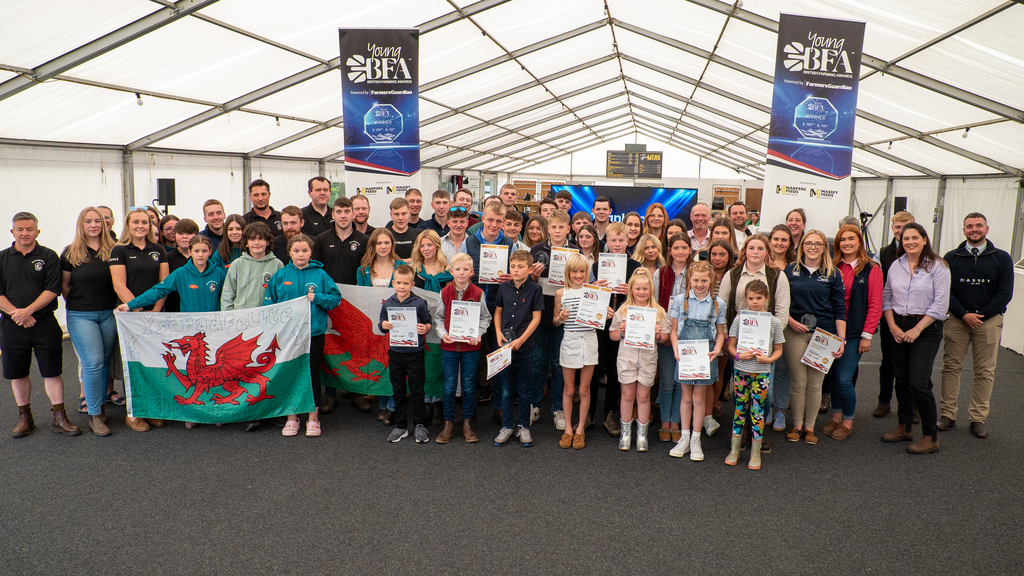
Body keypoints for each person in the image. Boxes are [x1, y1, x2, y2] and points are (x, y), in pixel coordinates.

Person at [118, 234, 225, 429]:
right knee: (193, 373)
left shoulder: (218, 273)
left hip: (213, 332)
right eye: (196, 251)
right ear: (189, 252)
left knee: (211, 373)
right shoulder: (181, 274)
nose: (200, 255)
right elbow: (158, 291)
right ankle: (194, 413)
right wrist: (131, 304)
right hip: (191, 334)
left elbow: (227, 297)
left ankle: (214, 410)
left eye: (204, 251)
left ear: (210, 252)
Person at [2, 212, 80, 437]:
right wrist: (18, 315)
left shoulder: (49, 256)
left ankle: (59, 417)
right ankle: (25, 418)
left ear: (37, 231)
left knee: (52, 371)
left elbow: (53, 289)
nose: (25, 233)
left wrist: (28, 312)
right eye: (20, 229)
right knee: (17, 374)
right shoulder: (2, 258)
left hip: (44, 323)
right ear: (12, 232)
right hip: (12, 326)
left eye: (29, 229)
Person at [939, 213, 1012, 439]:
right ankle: (948, 415)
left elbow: (1004, 293)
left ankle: (977, 418)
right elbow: (945, 291)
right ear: (963, 231)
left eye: (978, 225)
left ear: (987, 229)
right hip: (957, 321)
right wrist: (963, 314)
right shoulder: (951, 257)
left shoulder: (1001, 258)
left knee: (985, 372)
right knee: (951, 368)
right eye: (969, 226)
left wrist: (979, 315)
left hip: (988, 322)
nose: (974, 229)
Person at [880, 223, 950, 454]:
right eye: (905, 238)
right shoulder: (895, 266)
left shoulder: (938, 266)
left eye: (914, 237)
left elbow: (940, 304)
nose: (909, 241)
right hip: (898, 325)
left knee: (919, 382)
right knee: (901, 378)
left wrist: (916, 330)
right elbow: (887, 297)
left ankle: (930, 437)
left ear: (924, 239)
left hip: (926, 327)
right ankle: (905, 426)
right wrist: (892, 327)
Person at [264, 234, 341, 437]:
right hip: (287, 335)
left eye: (305, 250)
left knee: (311, 373)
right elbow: (269, 305)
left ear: (311, 252)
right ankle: (292, 417)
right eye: (296, 251)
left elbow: (335, 299)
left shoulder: (320, 275)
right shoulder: (280, 276)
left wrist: (319, 298)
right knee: (290, 373)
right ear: (289, 252)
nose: (300, 254)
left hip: (313, 333)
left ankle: (313, 419)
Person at [783, 229, 846, 445]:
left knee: (815, 384)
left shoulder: (833, 273)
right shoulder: (790, 270)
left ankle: (810, 428)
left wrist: (842, 339)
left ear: (824, 248)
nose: (812, 247)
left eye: (818, 244)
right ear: (801, 246)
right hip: (795, 332)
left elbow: (839, 308)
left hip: (824, 335)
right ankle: (797, 425)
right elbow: (781, 304)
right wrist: (791, 321)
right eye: (808, 243)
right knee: (799, 382)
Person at [110, 207, 169, 432]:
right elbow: (119, 285)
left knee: (154, 361)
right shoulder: (120, 250)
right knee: (133, 362)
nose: (140, 226)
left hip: (155, 316)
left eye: (144, 222)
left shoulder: (158, 250)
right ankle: (133, 413)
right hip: (130, 317)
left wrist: (155, 310)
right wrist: (138, 311)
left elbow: (163, 284)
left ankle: (151, 409)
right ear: (128, 225)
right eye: (136, 222)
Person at [220, 222, 282, 432]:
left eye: (261, 238)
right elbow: (228, 295)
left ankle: (268, 410)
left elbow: (282, 297)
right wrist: (229, 322)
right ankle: (246, 411)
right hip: (242, 327)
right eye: (252, 239)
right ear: (246, 242)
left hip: (267, 326)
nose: (257, 242)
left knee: (266, 368)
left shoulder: (277, 265)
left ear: (267, 242)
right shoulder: (238, 264)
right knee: (243, 369)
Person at [61, 207, 118, 436]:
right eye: (88, 221)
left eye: (98, 221)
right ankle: (94, 415)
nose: (94, 225)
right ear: (81, 225)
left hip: (109, 313)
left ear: (104, 225)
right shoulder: (70, 252)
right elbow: (65, 287)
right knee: (92, 362)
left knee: (104, 361)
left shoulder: (114, 250)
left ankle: (101, 406)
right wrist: (79, 305)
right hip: (81, 315)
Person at [823, 225, 882, 440]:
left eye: (851, 238)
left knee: (843, 378)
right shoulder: (832, 267)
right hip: (831, 332)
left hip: (855, 332)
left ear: (859, 242)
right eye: (842, 239)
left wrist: (867, 335)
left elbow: (875, 304)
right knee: (832, 378)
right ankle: (836, 417)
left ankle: (848, 420)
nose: (846, 243)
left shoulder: (871, 269)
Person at [668, 262, 726, 460]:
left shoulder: (718, 303)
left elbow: (720, 334)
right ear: (689, 280)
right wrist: (676, 348)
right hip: (684, 356)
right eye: (696, 280)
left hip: (705, 356)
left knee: (699, 398)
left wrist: (717, 349)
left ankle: (696, 438)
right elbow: (674, 331)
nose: (699, 284)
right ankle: (684, 437)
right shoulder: (679, 301)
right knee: (685, 397)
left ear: (711, 281)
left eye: (704, 280)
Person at [725, 280, 785, 470]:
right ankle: (734, 450)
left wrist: (769, 360)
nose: (755, 302)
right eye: (751, 298)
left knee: (758, 412)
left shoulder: (773, 322)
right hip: (741, 371)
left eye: (759, 298)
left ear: (767, 298)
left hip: (761, 374)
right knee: (739, 410)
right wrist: (738, 355)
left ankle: (755, 452)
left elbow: (778, 349)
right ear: (746, 298)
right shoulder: (739, 318)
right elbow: (731, 345)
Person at [611, 268, 671, 452]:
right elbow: (612, 335)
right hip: (627, 358)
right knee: (627, 395)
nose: (641, 292)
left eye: (645, 289)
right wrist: (621, 332)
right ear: (631, 290)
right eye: (638, 289)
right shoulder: (623, 310)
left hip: (647, 359)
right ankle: (626, 432)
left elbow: (666, 338)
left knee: (643, 396)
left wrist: (659, 336)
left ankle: (642, 434)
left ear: (651, 290)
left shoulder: (658, 312)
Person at [466, 201, 516, 419]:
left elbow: (516, 274)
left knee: (498, 356)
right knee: (473, 357)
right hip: (473, 305)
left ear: (503, 222)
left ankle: (499, 406)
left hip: (499, 307)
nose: (494, 224)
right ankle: (469, 409)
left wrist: (511, 277)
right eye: (490, 220)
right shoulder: (469, 242)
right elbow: (462, 269)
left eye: (499, 221)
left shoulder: (509, 244)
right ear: (482, 219)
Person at [590, 222, 640, 436]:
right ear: (606, 241)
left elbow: (643, 295)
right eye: (613, 240)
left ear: (627, 241)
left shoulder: (636, 267)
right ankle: (589, 413)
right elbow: (588, 296)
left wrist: (631, 291)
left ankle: (610, 413)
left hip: (623, 325)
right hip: (599, 323)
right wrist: (596, 289)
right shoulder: (595, 265)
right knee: (593, 369)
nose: (617, 244)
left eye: (621, 240)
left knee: (614, 370)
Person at [433, 253, 490, 443]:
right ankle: (448, 422)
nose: (461, 272)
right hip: (449, 347)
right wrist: (443, 334)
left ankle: (467, 421)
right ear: (451, 271)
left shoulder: (478, 293)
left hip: (471, 348)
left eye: (466, 269)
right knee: (449, 386)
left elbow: (485, 318)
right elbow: (438, 318)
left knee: (468, 385)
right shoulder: (444, 293)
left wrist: (478, 334)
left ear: (472, 272)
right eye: (457, 269)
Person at [493, 250, 543, 447]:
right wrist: (497, 332)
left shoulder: (535, 290)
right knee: (506, 389)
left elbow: (537, 318)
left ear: (530, 269)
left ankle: (523, 426)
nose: (516, 270)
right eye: (513, 266)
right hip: (505, 347)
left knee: (523, 389)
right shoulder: (503, 288)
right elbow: (498, 312)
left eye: (521, 267)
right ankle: (506, 426)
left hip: (525, 347)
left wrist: (522, 339)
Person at [378, 264, 433, 443]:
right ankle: (401, 426)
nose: (402, 287)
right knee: (398, 390)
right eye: (398, 283)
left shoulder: (419, 303)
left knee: (417, 391)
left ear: (412, 284)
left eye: (406, 283)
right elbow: (381, 324)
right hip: (395, 353)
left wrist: (425, 328)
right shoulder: (388, 303)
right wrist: (383, 326)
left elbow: (428, 323)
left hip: (415, 354)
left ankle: (419, 425)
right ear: (393, 283)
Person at [553, 254, 599, 449]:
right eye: (574, 271)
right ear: (568, 272)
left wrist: (608, 314)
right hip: (570, 339)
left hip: (589, 340)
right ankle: (568, 431)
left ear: (587, 272)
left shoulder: (594, 291)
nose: (578, 275)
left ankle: (580, 429)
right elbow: (555, 321)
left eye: (582, 271)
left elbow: (600, 318)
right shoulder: (560, 293)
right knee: (570, 390)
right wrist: (561, 317)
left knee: (584, 389)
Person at [653, 233, 693, 441]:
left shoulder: (695, 273)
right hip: (665, 335)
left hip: (688, 335)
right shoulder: (660, 273)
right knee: (667, 381)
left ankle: (676, 421)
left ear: (689, 250)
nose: (680, 252)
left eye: (683, 248)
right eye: (676, 248)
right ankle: (665, 421)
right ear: (669, 251)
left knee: (681, 381)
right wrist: (666, 332)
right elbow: (654, 305)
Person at [874, 211, 914, 417]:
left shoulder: (923, 252)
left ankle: (912, 405)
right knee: (888, 360)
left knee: (913, 362)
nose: (900, 231)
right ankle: (884, 400)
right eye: (897, 227)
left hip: (916, 317)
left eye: (905, 226)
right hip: (890, 315)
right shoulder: (884, 253)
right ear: (892, 228)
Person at [411, 230, 452, 423]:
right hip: (419, 322)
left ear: (437, 245)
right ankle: (425, 401)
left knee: (439, 361)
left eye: (429, 245)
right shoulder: (414, 269)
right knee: (422, 362)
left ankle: (438, 402)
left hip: (442, 323)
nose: (426, 249)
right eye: (422, 245)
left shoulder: (448, 270)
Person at [767, 224, 796, 431]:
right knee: (765, 368)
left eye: (784, 240)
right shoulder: (761, 262)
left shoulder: (796, 267)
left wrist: (790, 320)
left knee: (783, 369)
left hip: (788, 325)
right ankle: (766, 407)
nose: (779, 243)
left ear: (790, 243)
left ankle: (780, 411)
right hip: (763, 328)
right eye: (776, 239)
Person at [312, 197, 369, 287]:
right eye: (339, 212)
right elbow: (316, 270)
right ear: (333, 215)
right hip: (329, 294)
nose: (343, 216)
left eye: (347, 211)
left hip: (355, 295)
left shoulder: (365, 240)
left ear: (353, 214)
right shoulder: (321, 239)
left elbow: (367, 271)